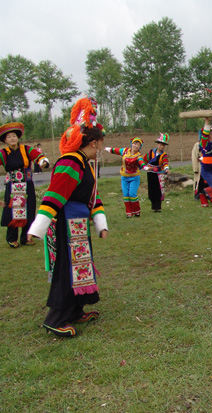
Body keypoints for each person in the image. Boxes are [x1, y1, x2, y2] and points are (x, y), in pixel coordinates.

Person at [27, 112, 108, 337]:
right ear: (94, 142)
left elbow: (92, 198)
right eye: (101, 141)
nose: (102, 146)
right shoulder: (70, 162)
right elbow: (54, 196)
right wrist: (37, 228)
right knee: (66, 268)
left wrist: (101, 224)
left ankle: (75, 310)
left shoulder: (85, 163)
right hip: (64, 224)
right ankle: (55, 319)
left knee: (80, 266)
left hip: (78, 224)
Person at [0, 122, 50, 248]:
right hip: (12, 187)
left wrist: (43, 161)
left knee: (29, 209)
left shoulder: (26, 149)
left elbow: (38, 156)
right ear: (5, 140)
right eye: (9, 137)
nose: (12, 138)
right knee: (12, 211)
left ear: (18, 138)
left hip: (27, 184)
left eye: (14, 136)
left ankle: (26, 237)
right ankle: (12, 238)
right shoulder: (3, 153)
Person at [105, 137, 146, 217]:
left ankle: (137, 211)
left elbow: (141, 162)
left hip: (134, 177)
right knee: (126, 194)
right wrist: (108, 149)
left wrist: (145, 167)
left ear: (140, 147)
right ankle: (129, 212)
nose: (136, 146)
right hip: (124, 177)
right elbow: (116, 150)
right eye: (135, 143)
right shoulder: (125, 151)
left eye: (138, 145)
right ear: (132, 144)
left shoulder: (138, 156)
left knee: (132, 194)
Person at [143, 133, 170, 212]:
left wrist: (166, 169)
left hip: (159, 174)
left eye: (163, 145)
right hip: (150, 173)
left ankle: (158, 207)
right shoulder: (151, 152)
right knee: (152, 189)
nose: (161, 146)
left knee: (159, 190)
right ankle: (153, 206)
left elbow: (165, 163)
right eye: (160, 144)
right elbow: (144, 160)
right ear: (157, 144)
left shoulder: (164, 155)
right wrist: (145, 166)